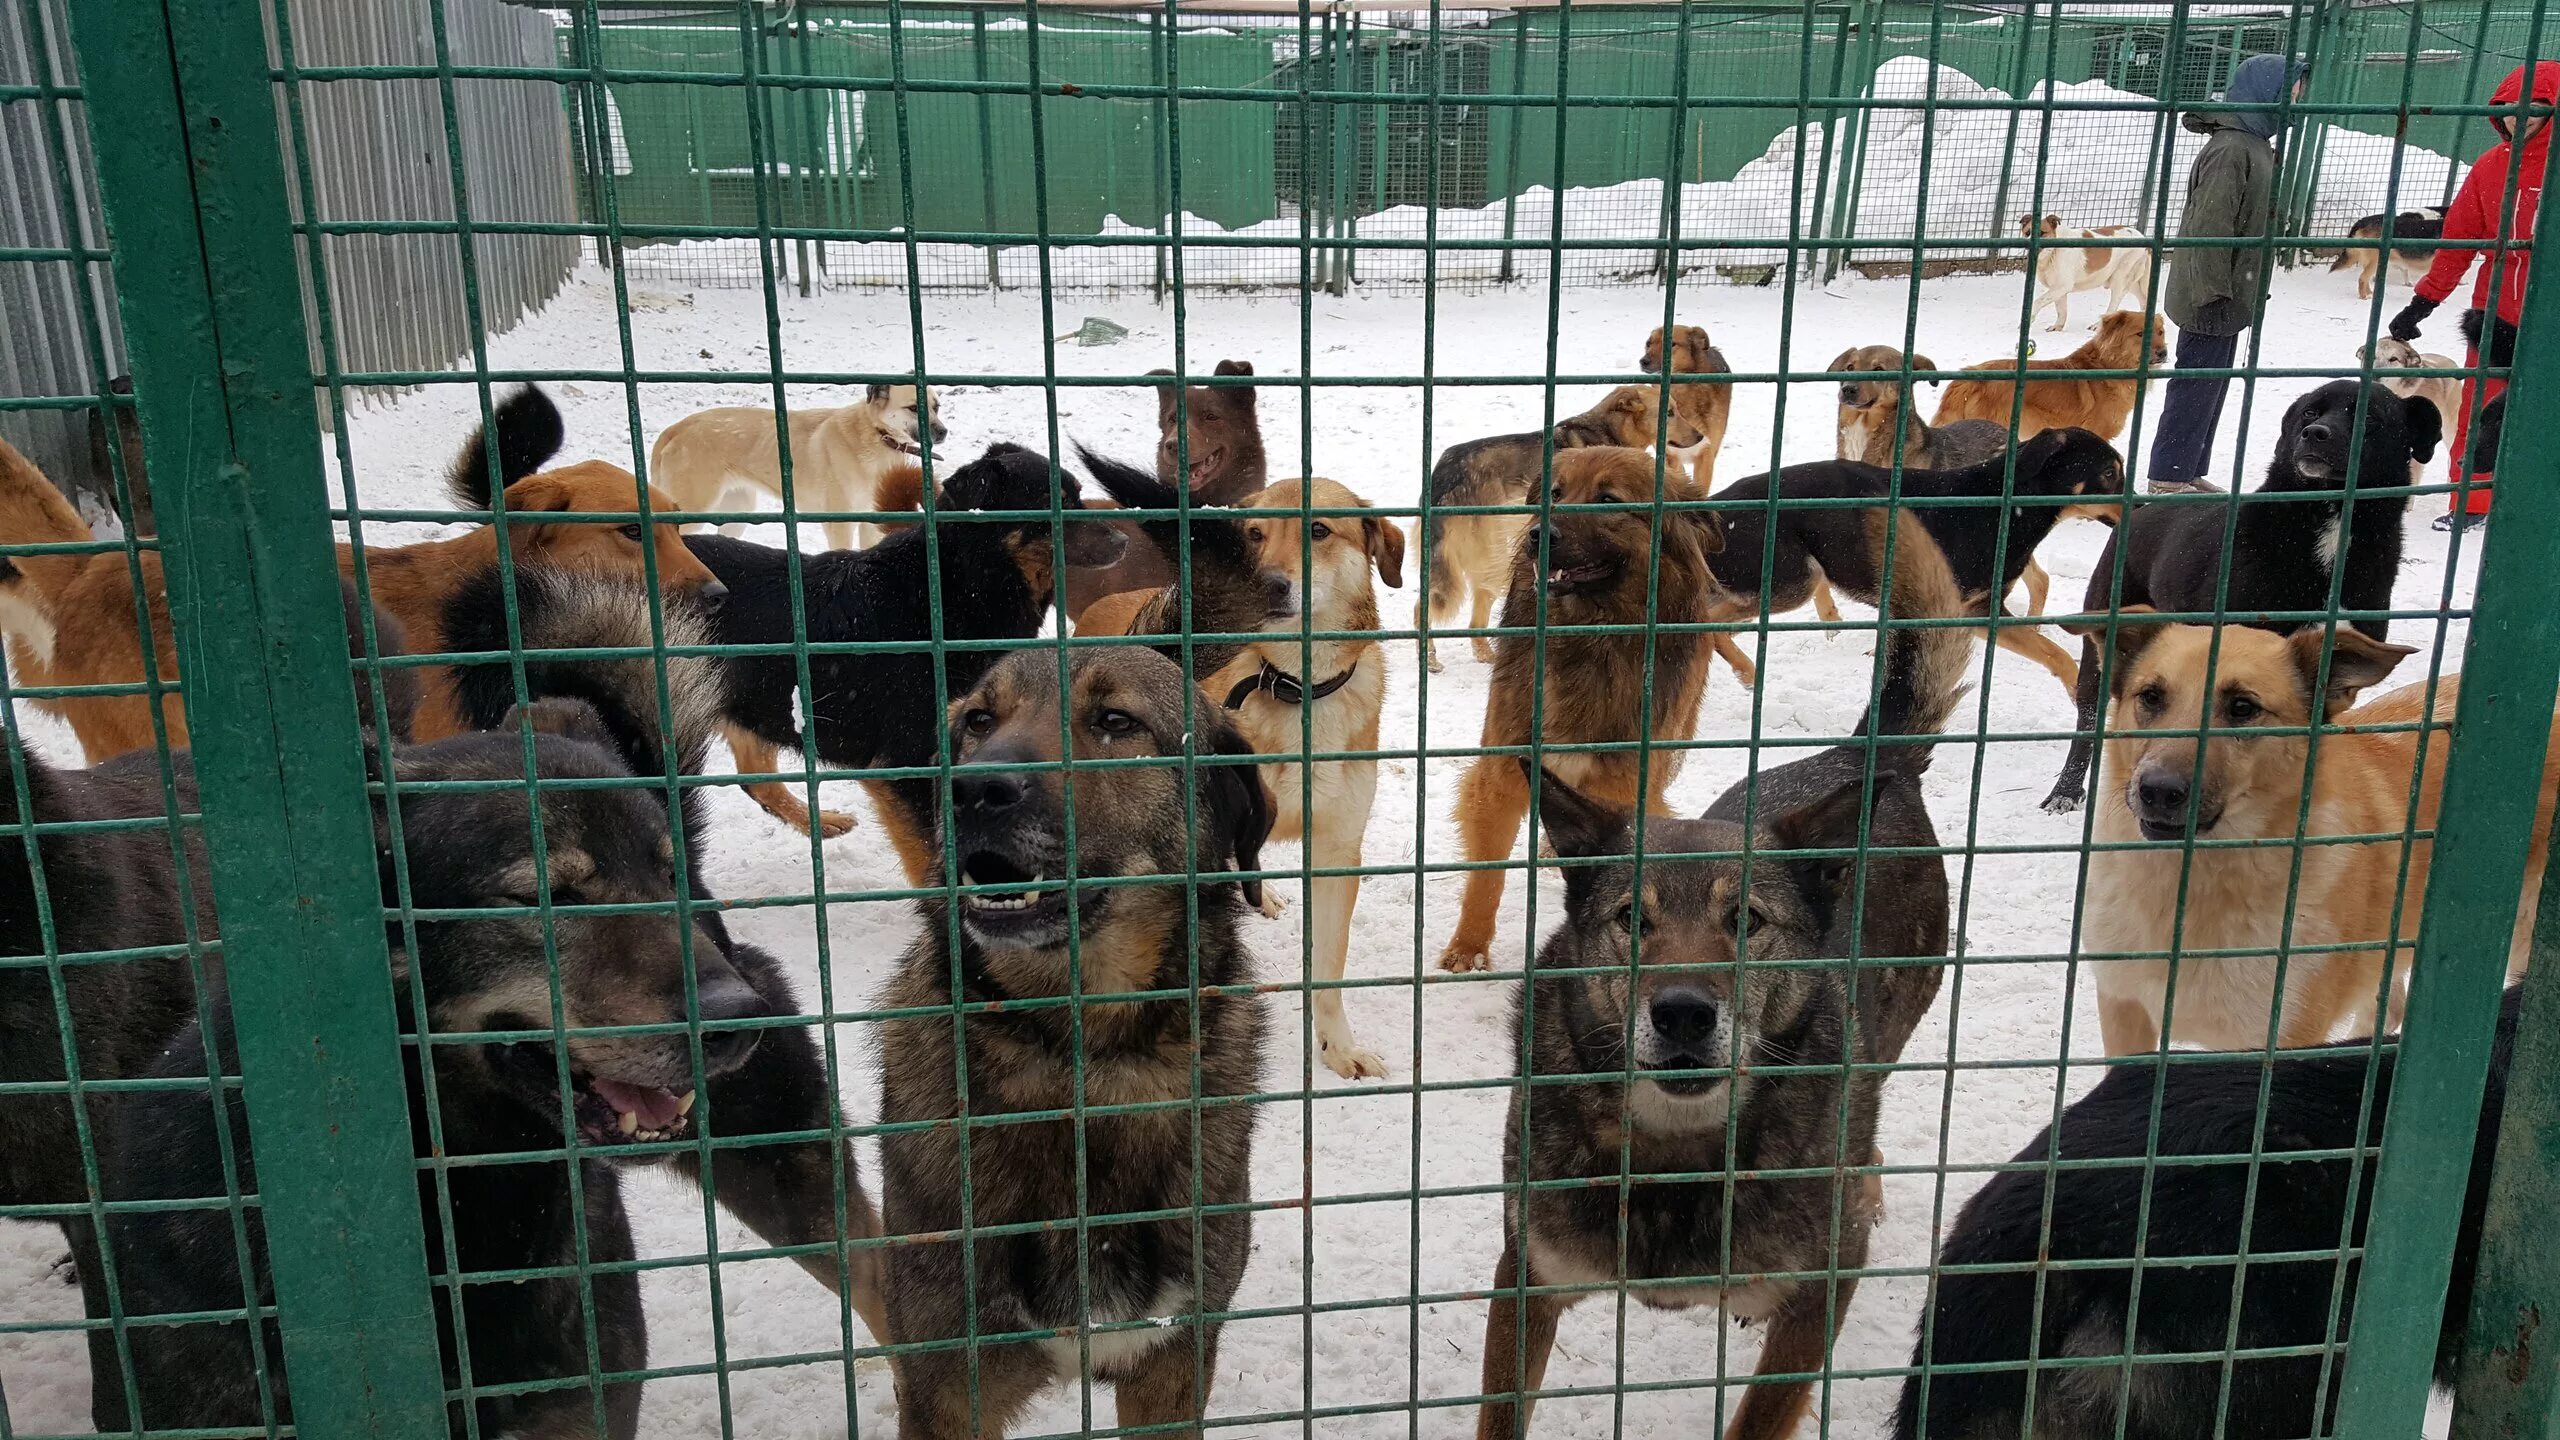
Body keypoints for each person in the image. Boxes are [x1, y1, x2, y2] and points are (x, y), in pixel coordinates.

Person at [2390, 61, 2556, 534]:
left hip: (2552, 313)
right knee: (2480, 407)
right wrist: (2423, 302)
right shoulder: (2490, 166)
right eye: (2507, 110)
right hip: (2498, 310)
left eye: (2534, 109)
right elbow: (2459, 239)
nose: (2517, 118)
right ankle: (2473, 500)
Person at [2149, 54, 2312, 494]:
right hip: (2212, 292)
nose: (2298, 96)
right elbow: (2209, 226)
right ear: (2267, 91)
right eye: (2293, 86)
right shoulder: (2232, 148)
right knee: (2195, 384)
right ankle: (2168, 476)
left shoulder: (2252, 142)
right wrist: (2212, 292)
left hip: (2231, 290)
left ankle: (2188, 470)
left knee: (2213, 385)